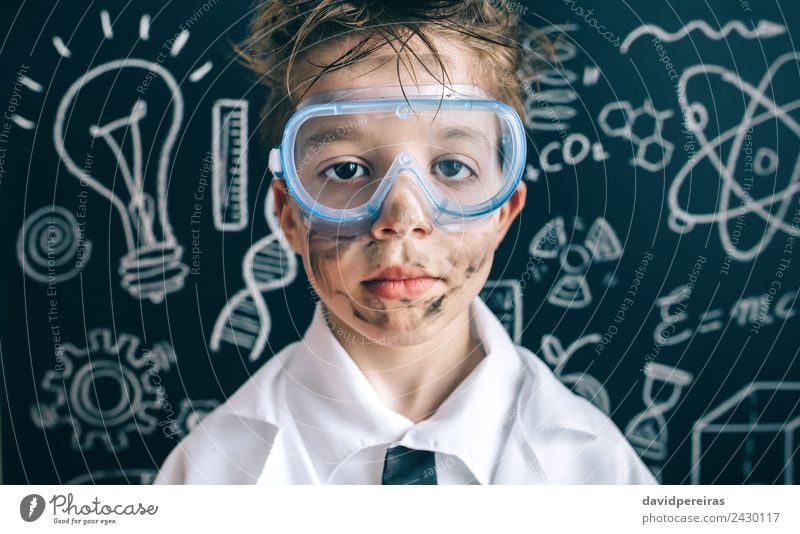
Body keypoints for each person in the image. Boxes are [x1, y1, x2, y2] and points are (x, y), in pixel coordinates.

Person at [154, 0, 657, 485]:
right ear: (288, 214)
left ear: (504, 210)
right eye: (347, 169)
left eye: (452, 167)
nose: (402, 217)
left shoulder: (597, 472)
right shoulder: (210, 476)